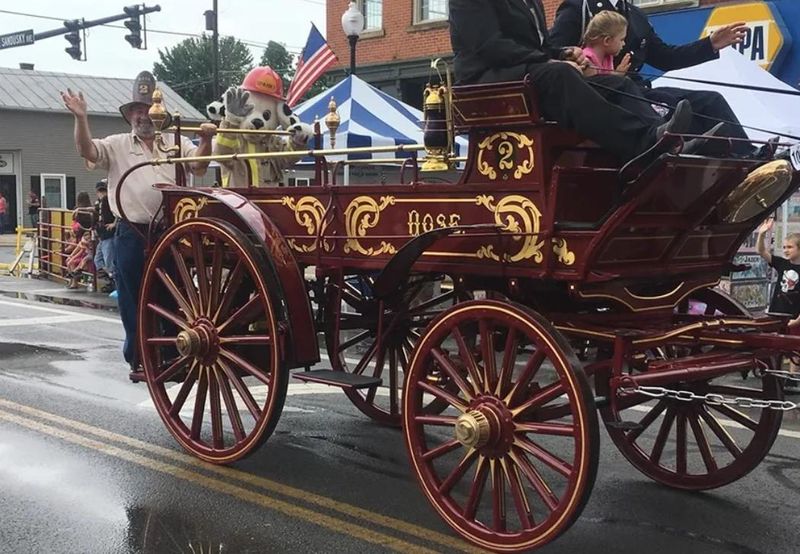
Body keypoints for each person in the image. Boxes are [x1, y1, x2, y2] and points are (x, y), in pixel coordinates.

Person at [61, 71, 214, 381]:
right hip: (131, 231)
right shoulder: (118, 144)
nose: (144, 116)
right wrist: (81, 118)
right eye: (139, 110)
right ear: (130, 114)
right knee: (134, 297)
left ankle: (175, 353)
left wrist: (207, 140)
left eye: (149, 109)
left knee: (175, 295)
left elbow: (198, 165)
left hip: (169, 231)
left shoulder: (176, 141)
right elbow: (87, 151)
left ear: (159, 112)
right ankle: (140, 358)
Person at [448, 0, 697, 163]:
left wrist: (564, 53)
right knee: (561, 75)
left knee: (615, 84)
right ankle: (642, 145)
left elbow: (541, 46)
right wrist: (550, 62)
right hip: (484, 78)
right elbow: (489, 46)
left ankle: (665, 140)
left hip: (523, 70)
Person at [549, 0, 764, 157]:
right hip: (606, 96)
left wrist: (710, 44)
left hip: (639, 89)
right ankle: (688, 154)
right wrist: (576, 59)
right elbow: (553, 51)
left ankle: (749, 157)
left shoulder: (636, 16)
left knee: (710, 100)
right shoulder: (579, 8)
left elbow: (667, 57)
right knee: (675, 108)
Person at [757, 217, 800, 376]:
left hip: (795, 316)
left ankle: (793, 378)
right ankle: (776, 376)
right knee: (777, 347)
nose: (786, 250)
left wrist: (798, 320)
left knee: (795, 350)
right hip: (778, 313)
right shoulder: (782, 264)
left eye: (790, 247)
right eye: (784, 247)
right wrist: (761, 234)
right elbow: (762, 252)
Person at [581, 10, 630, 76]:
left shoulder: (607, 56)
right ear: (607, 41)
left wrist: (617, 74)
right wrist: (617, 76)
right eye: (621, 40)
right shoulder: (586, 61)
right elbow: (597, 84)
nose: (624, 44)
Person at [93, 179, 116, 293]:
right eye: (100, 191)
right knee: (99, 260)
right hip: (103, 235)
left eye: (103, 190)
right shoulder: (99, 202)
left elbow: (118, 213)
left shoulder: (109, 201)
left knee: (109, 261)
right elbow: (95, 212)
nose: (102, 193)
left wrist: (115, 223)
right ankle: (110, 280)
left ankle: (114, 282)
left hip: (108, 234)